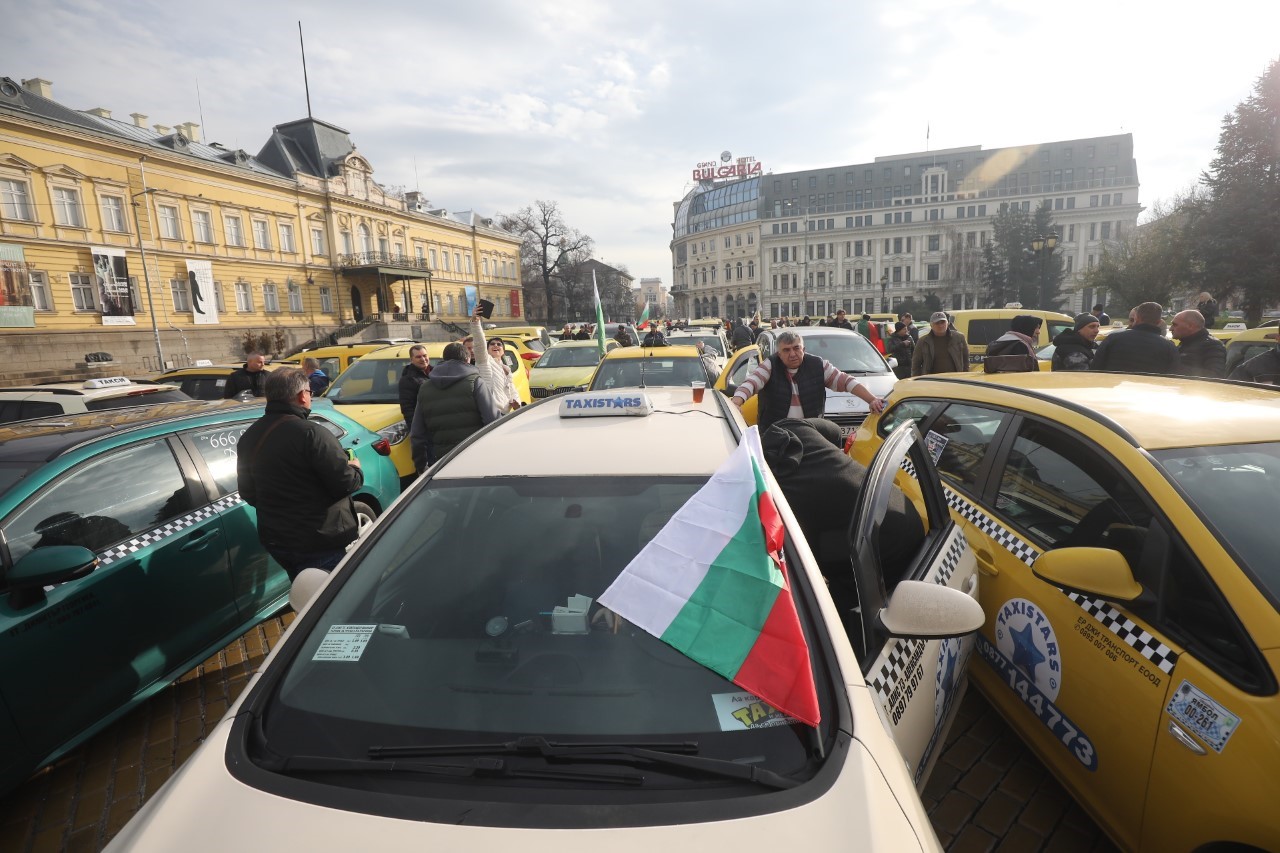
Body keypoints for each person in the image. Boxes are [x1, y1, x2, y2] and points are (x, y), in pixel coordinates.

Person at [236, 368, 363, 579]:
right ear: (302, 395)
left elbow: (248, 493)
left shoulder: (250, 436)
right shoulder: (312, 433)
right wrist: (356, 468)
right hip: (320, 541)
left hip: (278, 540)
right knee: (331, 601)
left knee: (306, 593)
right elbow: (345, 483)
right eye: (310, 392)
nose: (311, 397)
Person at [730, 330, 885, 433]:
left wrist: (872, 400)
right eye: (786, 350)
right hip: (775, 433)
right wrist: (737, 402)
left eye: (796, 348)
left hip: (811, 433)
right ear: (779, 353)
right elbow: (751, 383)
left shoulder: (818, 365)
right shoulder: (770, 364)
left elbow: (846, 382)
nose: (792, 354)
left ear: (803, 349)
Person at [409, 342, 505, 473]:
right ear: (467, 359)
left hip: (442, 461)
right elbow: (492, 421)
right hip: (474, 457)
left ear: (444, 359)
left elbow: (417, 434)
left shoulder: (425, 387)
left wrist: (421, 467)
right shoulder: (476, 382)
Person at [1090, 302, 1180, 374]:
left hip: (1114, 392)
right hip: (1150, 394)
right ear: (1159, 322)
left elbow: (1095, 368)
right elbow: (1173, 377)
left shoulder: (1113, 339)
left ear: (1137, 317)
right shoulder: (1169, 347)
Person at [470, 307, 521, 412]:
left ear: (503, 351)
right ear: (487, 350)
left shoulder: (506, 369)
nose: (496, 346)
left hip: (505, 415)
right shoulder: (484, 361)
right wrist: (475, 322)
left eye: (499, 344)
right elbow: (480, 343)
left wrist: (517, 402)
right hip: (490, 412)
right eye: (492, 344)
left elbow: (512, 391)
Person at [1170, 309, 1227, 378]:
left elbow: (1215, 375)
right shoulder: (1184, 343)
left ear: (1190, 326)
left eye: (1175, 325)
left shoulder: (1213, 346)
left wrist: (1174, 368)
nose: (1171, 328)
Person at [398, 344, 433, 422]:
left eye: (425, 355)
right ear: (411, 359)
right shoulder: (408, 380)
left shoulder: (437, 373)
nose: (423, 359)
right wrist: (415, 430)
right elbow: (408, 409)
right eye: (418, 357)